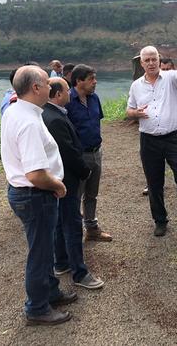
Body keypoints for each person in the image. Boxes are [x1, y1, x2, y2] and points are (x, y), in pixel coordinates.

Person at [1, 65, 76, 326]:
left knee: (43, 247)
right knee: (40, 252)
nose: (51, 87)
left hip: (26, 193)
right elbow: (35, 174)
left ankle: (50, 291)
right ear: (35, 88)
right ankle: (37, 308)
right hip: (35, 194)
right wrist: (57, 185)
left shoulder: (15, 110)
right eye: (46, 83)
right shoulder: (29, 122)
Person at [126, 46, 177, 239]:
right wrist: (135, 113)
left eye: (154, 59)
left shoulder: (171, 77)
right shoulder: (136, 86)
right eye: (147, 60)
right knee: (154, 183)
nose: (151, 63)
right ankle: (160, 221)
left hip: (174, 139)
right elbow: (129, 110)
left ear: (158, 59)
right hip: (149, 140)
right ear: (142, 63)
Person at [42, 77, 105, 290]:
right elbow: (67, 151)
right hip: (67, 178)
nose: (70, 94)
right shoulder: (55, 118)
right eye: (67, 90)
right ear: (58, 94)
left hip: (58, 178)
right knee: (72, 224)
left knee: (60, 222)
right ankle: (80, 272)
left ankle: (61, 262)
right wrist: (84, 170)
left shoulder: (48, 113)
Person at [66, 64, 112, 242]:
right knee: (76, 195)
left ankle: (92, 228)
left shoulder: (94, 99)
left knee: (92, 193)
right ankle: (74, 233)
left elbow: (95, 123)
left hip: (96, 152)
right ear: (79, 81)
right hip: (79, 156)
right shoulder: (67, 101)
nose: (95, 82)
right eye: (91, 79)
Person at [141, 57, 177, 196]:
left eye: (167, 69)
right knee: (155, 163)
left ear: (174, 69)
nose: (164, 71)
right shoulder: (153, 85)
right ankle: (152, 184)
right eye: (162, 69)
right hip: (155, 132)